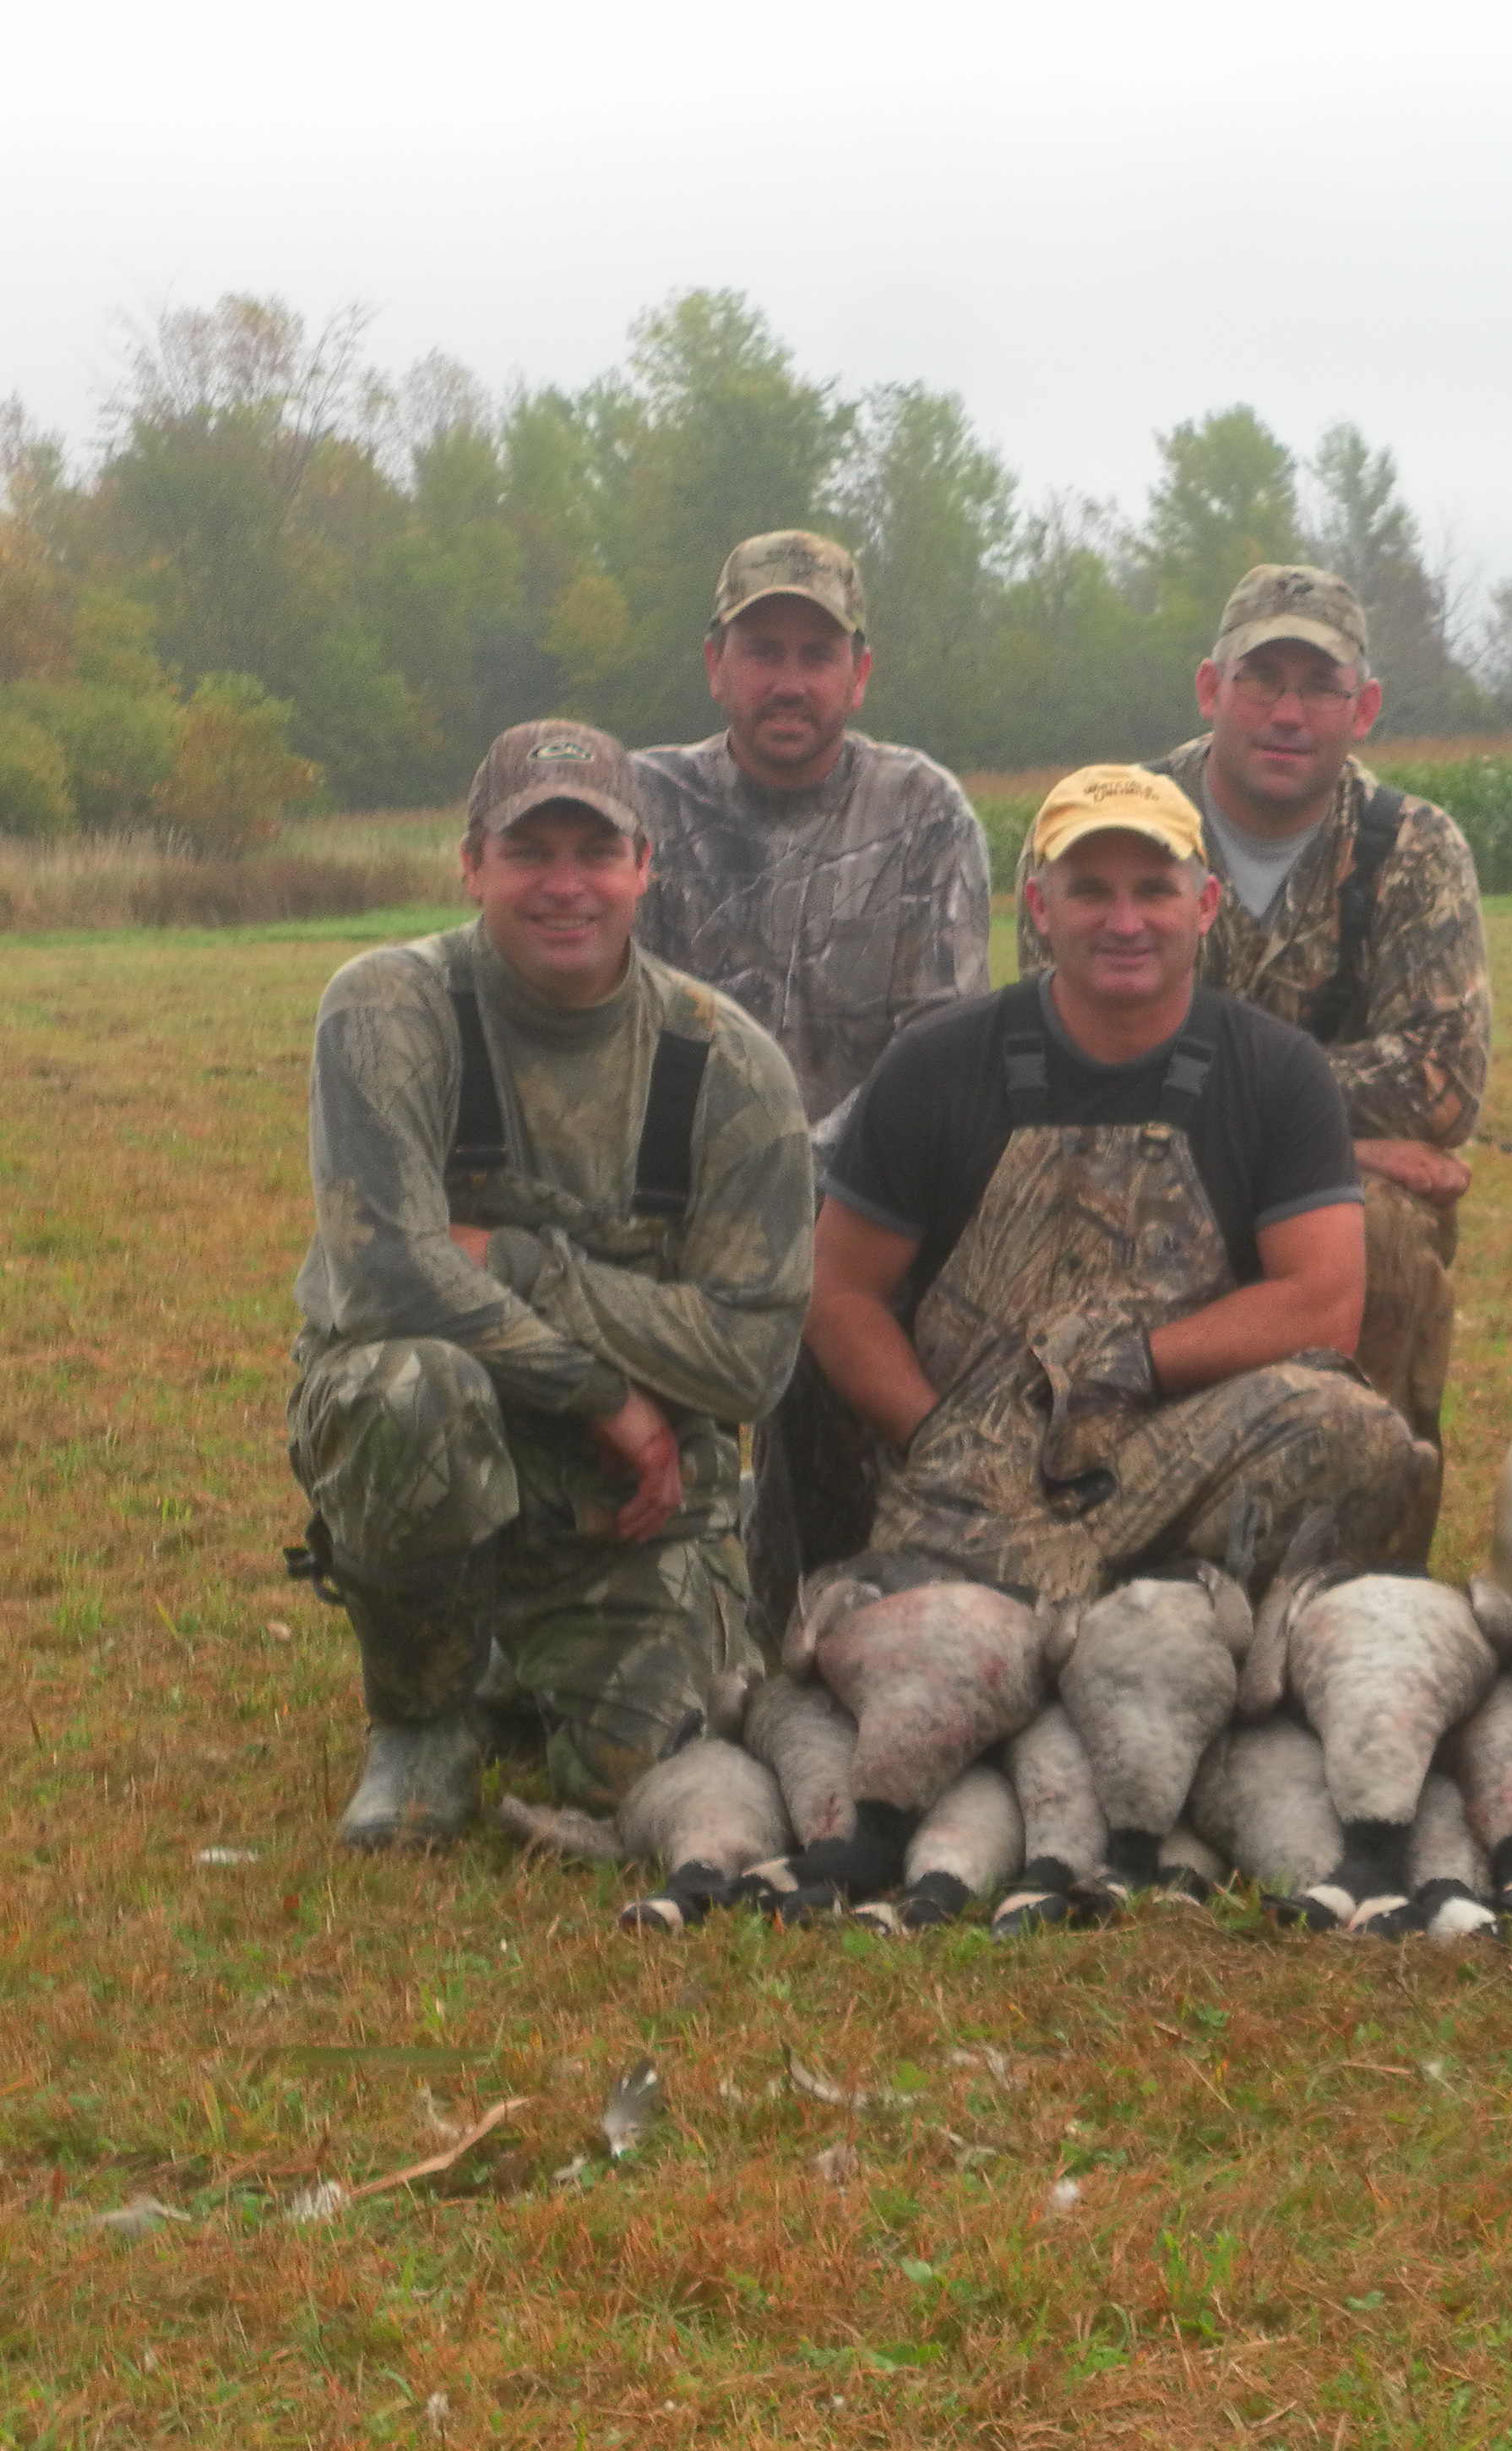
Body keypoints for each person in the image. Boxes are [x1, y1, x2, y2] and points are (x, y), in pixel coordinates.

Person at [288, 722, 813, 1847]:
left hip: (636, 1513)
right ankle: (423, 1717)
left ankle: (516, 1669)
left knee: (646, 1778)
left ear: (644, 869)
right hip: (476, 1448)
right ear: (472, 863)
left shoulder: (729, 1068)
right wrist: (605, 1391)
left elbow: (754, 1361)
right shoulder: (389, 1009)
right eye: (531, 852)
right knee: (406, 1385)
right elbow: (386, 1271)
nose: (564, 885)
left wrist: (518, 1261)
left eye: (596, 851)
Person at [819, 764, 1421, 1604]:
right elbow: (839, 1291)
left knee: (1354, 1431)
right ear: (1040, 908)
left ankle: (1194, 1606)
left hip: (1168, 1447)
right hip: (975, 1466)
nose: (1125, 922)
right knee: (943, 1652)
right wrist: (934, 1440)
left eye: (1154, 890)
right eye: (1090, 892)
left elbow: (1322, 1301)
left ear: (1204, 905)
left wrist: (1132, 1366)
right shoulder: (936, 1064)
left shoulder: (1277, 1071)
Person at [1022, 565, 1488, 1564]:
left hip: (1322, 1196)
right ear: (1209, 689)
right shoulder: (1106, 827)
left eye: (1319, 686)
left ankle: (1374, 1573)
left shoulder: (1413, 846)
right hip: (1127, 1168)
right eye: (1260, 679)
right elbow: (1064, 1049)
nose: (1287, 712)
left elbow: (1445, 1079)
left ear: (1361, 708)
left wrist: (1289, 1127)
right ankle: (1087, 1529)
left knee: (1389, 1235)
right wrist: (1347, 1127)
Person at [630, 529, 993, 1626]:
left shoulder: (924, 814)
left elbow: (935, 1060)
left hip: (859, 1200)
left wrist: (796, 1182)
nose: (789, 679)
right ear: (715, 664)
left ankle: (831, 1578)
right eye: (762, 649)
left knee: (852, 1292)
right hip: (666, 1196)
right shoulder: (637, 807)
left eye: (815, 653)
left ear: (859, 673)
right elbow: (596, 1035)